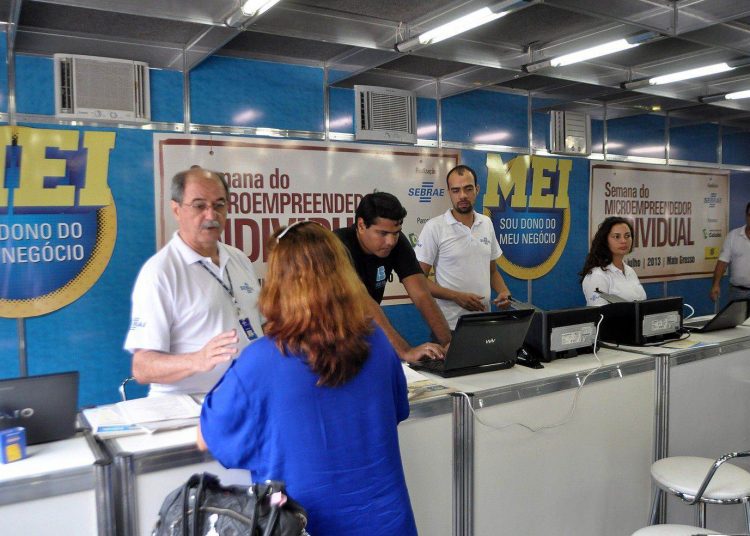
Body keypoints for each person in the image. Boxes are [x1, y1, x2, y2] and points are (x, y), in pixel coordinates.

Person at [198, 221, 417, 536]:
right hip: (386, 522)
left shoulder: (260, 361)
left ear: (277, 282)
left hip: (303, 526)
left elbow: (212, 439)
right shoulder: (377, 343)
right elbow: (396, 411)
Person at [124, 167, 263, 396]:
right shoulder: (160, 272)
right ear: (176, 209)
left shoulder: (238, 259)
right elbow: (142, 367)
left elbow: (258, 323)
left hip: (245, 399)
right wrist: (196, 360)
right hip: (188, 410)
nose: (211, 215)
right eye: (199, 206)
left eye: (219, 205)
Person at [334, 192, 451, 362]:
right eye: (382, 233)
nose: (390, 241)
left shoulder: (396, 242)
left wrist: (448, 343)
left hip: (363, 332)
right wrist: (405, 351)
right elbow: (364, 303)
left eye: (396, 233)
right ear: (361, 225)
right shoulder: (336, 246)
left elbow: (421, 294)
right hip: (326, 338)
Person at [415, 164, 511, 330]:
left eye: (468, 189)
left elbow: (492, 271)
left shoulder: (486, 223)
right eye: (456, 190)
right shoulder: (435, 227)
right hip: (449, 326)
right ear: (449, 192)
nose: (463, 196)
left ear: (477, 189)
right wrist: (455, 296)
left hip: (484, 321)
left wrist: (503, 292)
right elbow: (418, 280)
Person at [580, 216, 646, 306]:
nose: (623, 241)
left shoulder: (630, 271)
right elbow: (600, 314)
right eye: (616, 236)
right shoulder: (597, 275)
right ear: (605, 240)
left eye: (627, 236)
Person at [710, 202, 750, 303]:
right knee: (737, 319)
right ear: (746, 215)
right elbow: (722, 263)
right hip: (738, 292)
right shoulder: (733, 236)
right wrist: (715, 284)